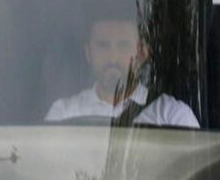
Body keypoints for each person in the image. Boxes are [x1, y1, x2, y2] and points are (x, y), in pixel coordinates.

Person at [45, 16, 199, 127]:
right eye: (103, 46)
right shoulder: (63, 113)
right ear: (88, 53)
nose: (113, 58)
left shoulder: (172, 115)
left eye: (123, 46)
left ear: (142, 53)